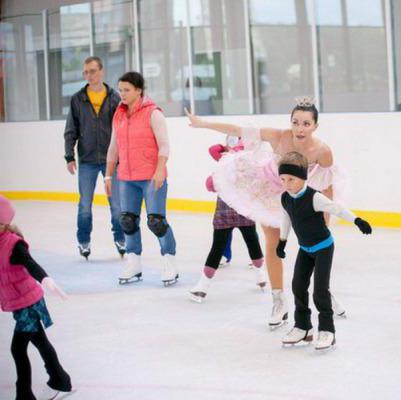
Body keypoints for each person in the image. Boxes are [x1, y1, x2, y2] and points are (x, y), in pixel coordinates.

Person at [185, 97, 347, 328]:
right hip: (271, 192)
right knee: (272, 244)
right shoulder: (279, 136)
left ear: (315, 126)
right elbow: (239, 130)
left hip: (302, 196)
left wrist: (324, 222)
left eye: (306, 124)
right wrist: (203, 123)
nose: (300, 128)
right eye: (296, 122)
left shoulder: (322, 151)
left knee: (312, 249)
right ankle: (278, 301)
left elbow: (326, 187)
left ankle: (323, 292)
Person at [276, 152, 371, 350]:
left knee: (320, 290)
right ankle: (303, 327)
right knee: (298, 286)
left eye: (291, 179)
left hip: (323, 248)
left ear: (303, 177)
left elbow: (337, 208)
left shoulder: (314, 197)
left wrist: (357, 220)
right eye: (283, 179)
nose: (287, 183)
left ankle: (328, 330)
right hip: (305, 249)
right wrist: (282, 241)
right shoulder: (285, 198)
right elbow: (286, 219)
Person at [104, 72, 179, 286]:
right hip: (126, 177)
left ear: (139, 90)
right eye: (120, 90)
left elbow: (164, 145)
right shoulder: (118, 115)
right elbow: (113, 148)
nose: (122, 94)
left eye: (127, 90)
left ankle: (169, 262)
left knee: (156, 221)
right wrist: (109, 175)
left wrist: (159, 170)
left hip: (151, 177)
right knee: (127, 220)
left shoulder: (153, 113)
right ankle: (134, 263)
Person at [0, 195, 73, 400]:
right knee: (40, 341)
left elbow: (31, 264)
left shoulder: (13, 244)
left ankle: (24, 394)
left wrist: (45, 279)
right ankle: (61, 379)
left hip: (28, 305)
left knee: (17, 349)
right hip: (19, 302)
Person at [188, 138, 267, 302]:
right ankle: (261, 276)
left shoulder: (224, 163)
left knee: (217, 248)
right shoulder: (251, 165)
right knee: (252, 241)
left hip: (224, 213)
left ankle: (203, 286)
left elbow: (209, 184)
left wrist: (225, 150)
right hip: (244, 211)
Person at [63, 56, 124, 260]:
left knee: (117, 205)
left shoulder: (115, 98)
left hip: (111, 161)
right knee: (85, 205)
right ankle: (84, 241)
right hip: (87, 160)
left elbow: (122, 130)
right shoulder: (77, 99)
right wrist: (69, 156)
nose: (89, 75)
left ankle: (120, 238)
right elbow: (71, 130)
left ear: (101, 71)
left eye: (92, 71)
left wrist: (123, 157)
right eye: (85, 72)